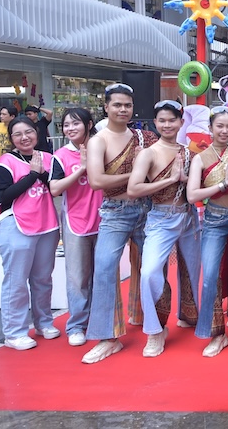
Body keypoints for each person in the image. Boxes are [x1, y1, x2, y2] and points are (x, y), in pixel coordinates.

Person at [82, 83, 160, 364]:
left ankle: (154, 326)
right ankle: (108, 337)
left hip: (146, 209)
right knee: (104, 268)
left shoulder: (143, 138)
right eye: (117, 105)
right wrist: (136, 173)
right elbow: (97, 181)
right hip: (115, 211)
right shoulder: (98, 141)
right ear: (106, 107)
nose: (123, 109)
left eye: (127, 105)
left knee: (152, 269)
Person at [127, 100, 200, 358]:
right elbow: (134, 189)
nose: (167, 125)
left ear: (181, 122)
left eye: (172, 120)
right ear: (155, 123)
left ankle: (191, 315)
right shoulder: (148, 153)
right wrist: (170, 179)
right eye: (162, 120)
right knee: (149, 273)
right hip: (160, 219)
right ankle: (155, 330)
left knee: (194, 271)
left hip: (189, 217)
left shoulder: (190, 153)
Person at [186, 106, 228, 358]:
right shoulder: (200, 159)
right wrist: (223, 184)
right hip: (215, 220)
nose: (224, 131)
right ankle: (215, 333)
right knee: (211, 274)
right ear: (210, 128)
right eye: (219, 126)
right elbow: (193, 195)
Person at [0, 115, 60, 350]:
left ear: (36, 133)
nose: (24, 137)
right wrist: (32, 175)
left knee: (43, 279)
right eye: (18, 134)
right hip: (16, 225)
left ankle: (44, 322)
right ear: (11, 138)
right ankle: (15, 332)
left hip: (47, 225)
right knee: (16, 281)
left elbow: (56, 189)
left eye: (28, 132)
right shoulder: (5, 162)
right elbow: (3, 196)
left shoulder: (49, 159)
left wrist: (41, 173)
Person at [50, 108, 101, 346]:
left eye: (76, 123)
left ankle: (101, 321)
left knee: (103, 276)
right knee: (78, 277)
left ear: (89, 125)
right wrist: (81, 168)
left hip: (106, 221)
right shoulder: (60, 156)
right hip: (76, 222)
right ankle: (77, 325)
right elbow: (54, 188)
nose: (70, 129)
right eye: (66, 125)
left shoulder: (102, 149)